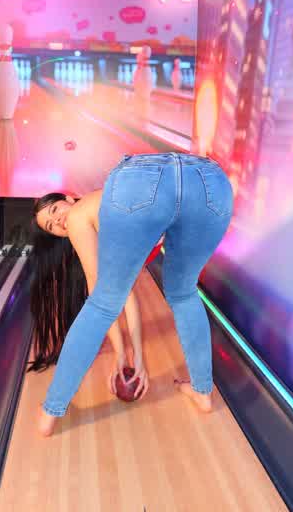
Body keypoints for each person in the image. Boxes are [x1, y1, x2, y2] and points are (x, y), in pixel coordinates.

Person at [31, 152, 233, 437]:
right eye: (51, 227)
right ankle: (202, 392)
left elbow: (103, 300)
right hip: (211, 182)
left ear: (69, 200)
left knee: (102, 303)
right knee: (184, 293)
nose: (59, 221)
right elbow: (124, 295)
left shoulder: (81, 213)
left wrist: (128, 356)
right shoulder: (109, 215)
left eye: (55, 211)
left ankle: (51, 411)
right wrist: (132, 356)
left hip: (147, 178)